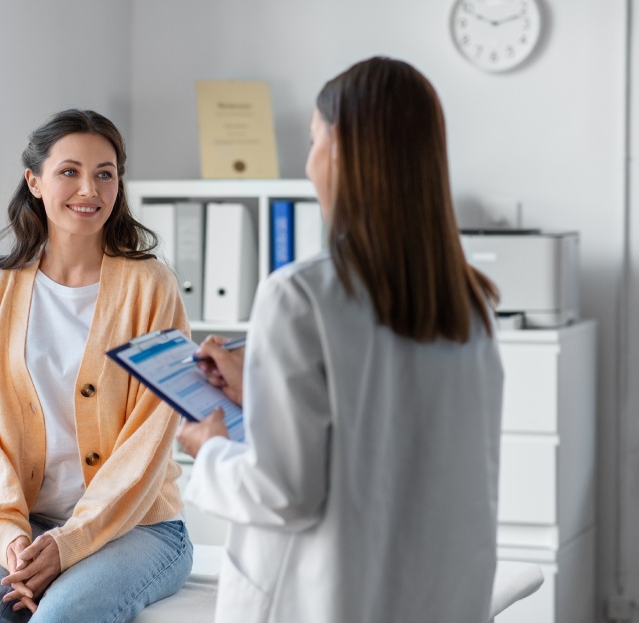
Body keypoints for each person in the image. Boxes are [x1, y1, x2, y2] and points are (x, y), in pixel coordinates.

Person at [175, 57, 504, 623]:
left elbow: (284, 491)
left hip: (328, 600)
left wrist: (209, 450)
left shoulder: (299, 295)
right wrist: (260, 399)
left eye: (312, 141)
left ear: (343, 148)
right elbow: (390, 433)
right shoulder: (469, 303)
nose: (308, 165)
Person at [0, 109, 193, 623]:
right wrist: (12, 539)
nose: (90, 189)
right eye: (69, 171)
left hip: (140, 527)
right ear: (34, 181)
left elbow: (153, 432)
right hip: (24, 524)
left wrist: (70, 544)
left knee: (61, 617)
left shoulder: (152, 286)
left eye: (105, 173)